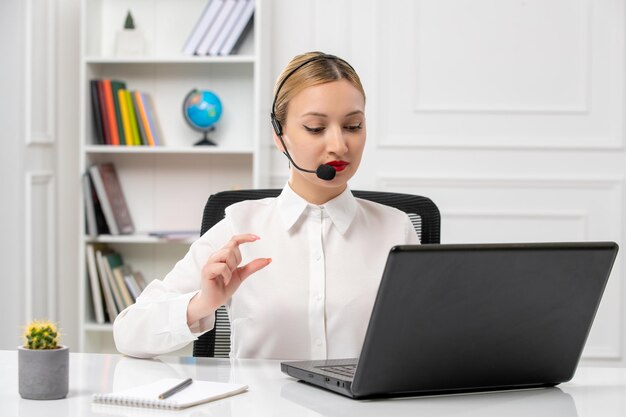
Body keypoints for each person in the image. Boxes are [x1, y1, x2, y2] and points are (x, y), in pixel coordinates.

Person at [113, 51, 419, 360]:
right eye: (315, 128)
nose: (339, 145)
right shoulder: (239, 228)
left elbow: (424, 345)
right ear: (279, 135)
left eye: (353, 126)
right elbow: (128, 332)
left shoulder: (397, 229)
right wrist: (203, 303)